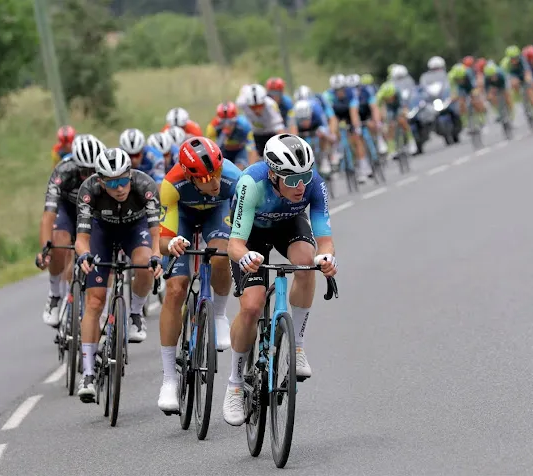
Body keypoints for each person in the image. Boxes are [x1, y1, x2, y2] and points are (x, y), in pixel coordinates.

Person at [222, 133, 337, 426]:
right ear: (273, 175)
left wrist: (327, 258)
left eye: (305, 177)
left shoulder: (313, 184)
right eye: (291, 180)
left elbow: (324, 238)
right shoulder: (252, 183)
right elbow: (234, 244)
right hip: (252, 235)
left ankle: (296, 346)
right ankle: (234, 383)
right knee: (251, 306)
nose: (300, 186)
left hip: (287, 225)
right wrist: (245, 257)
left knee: (306, 261)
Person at [156, 137, 242, 413]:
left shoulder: (233, 179)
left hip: (217, 213)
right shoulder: (171, 185)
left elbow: (242, 228)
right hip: (181, 215)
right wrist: (171, 244)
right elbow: (161, 241)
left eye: (216, 172)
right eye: (206, 178)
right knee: (175, 289)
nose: (214, 182)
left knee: (220, 255)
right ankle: (169, 378)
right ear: (191, 178)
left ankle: (217, 314)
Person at [74, 148, 163, 402]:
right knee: (94, 301)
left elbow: (156, 233)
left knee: (145, 263)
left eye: (123, 180)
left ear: (130, 176)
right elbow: (82, 239)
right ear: (100, 181)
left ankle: (135, 312)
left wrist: (157, 255)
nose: (120, 187)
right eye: (112, 183)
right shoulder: (88, 190)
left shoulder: (144, 184)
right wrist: (83, 255)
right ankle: (88, 372)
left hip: (135, 230)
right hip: (102, 233)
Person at [37, 135, 106, 327]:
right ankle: (54, 295)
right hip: (67, 209)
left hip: (95, 210)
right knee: (59, 243)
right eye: (84, 170)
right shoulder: (63, 171)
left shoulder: (108, 171)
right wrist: (45, 249)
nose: (89, 175)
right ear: (75, 164)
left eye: (94, 170)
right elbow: (48, 215)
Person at [325, 74, 371, 183]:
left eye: (341, 89)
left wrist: (356, 128)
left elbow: (354, 112)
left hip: (349, 113)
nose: (339, 92)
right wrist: (333, 133)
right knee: (334, 124)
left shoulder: (351, 93)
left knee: (356, 139)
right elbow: (331, 116)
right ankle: (336, 149)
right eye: (337, 90)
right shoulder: (328, 95)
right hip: (337, 114)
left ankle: (362, 166)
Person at [236, 83, 286, 158]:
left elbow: (280, 128)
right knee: (251, 150)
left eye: (260, 106)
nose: (257, 110)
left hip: (271, 133)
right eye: (253, 107)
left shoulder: (271, 105)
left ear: (264, 102)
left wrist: (285, 146)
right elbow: (243, 89)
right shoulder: (242, 102)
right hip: (255, 133)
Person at [294, 99, 336, 175]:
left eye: (306, 119)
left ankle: (324, 157)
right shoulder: (293, 115)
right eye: (301, 120)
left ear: (310, 114)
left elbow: (326, 128)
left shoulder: (317, 110)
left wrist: (328, 136)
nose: (304, 122)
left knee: (323, 133)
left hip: (316, 126)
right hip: (300, 129)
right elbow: (292, 133)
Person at [212, 101, 259, 170]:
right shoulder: (213, 127)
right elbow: (212, 150)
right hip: (224, 150)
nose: (227, 126)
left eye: (230, 123)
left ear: (235, 120)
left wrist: (251, 169)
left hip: (240, 150)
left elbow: (252, 148)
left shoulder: (244, 125)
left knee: (239, 168)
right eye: (223, 123)